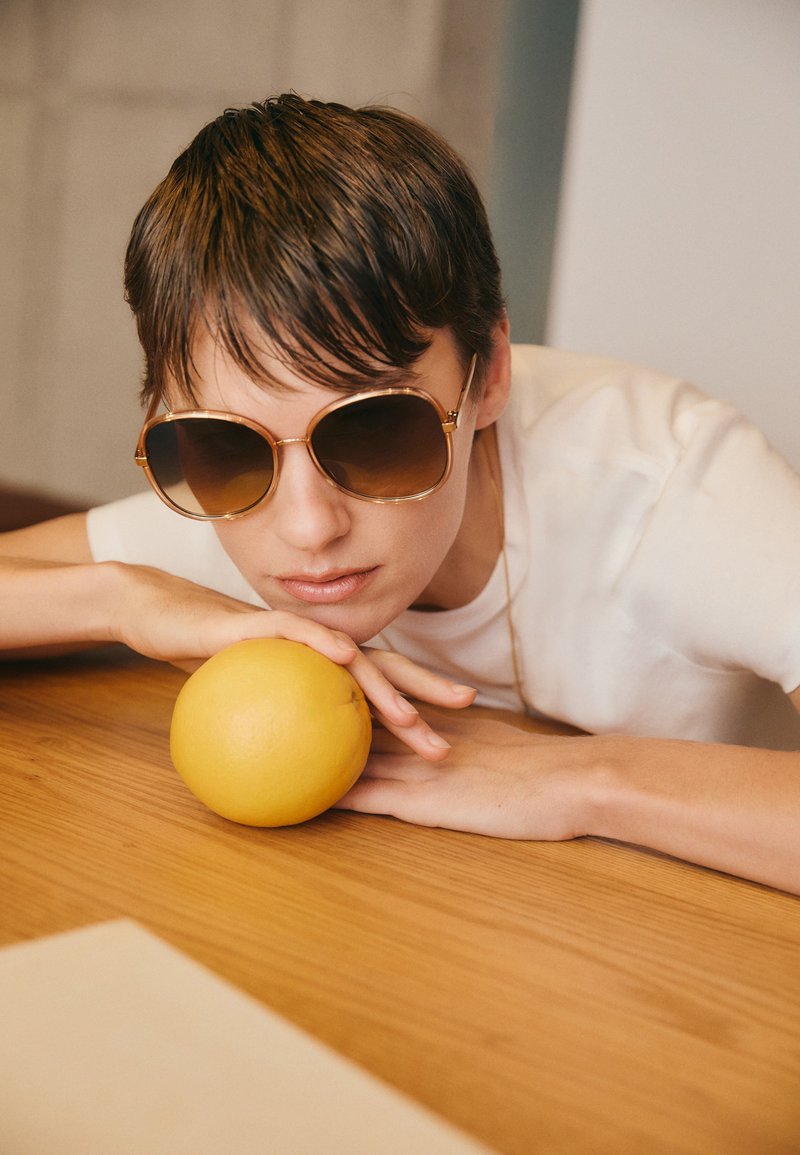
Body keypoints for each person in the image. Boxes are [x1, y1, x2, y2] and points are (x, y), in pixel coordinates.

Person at [2, 94, 799, 893]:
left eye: (373, 430)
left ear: (490, 374)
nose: (308, 527)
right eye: (225, 444)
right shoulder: (245, 501)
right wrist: (124, 601)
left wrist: (582, 777)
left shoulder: (678, 485)